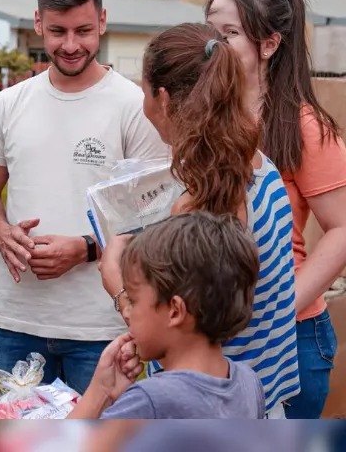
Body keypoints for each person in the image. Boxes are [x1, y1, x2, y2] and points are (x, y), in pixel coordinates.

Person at [0, 0, 167, 394]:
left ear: (102, 20)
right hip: (16, 322)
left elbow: (158, 217)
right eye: (58, 32)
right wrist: (1, 231)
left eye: (83, 30)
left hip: (103, 327)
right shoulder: (9, 103)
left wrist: (85, 249)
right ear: (38, 22)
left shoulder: (135, 107)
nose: (71, 45)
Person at [97, 22, 300, 417]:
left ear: (164, 99)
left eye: (143, 92)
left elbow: (181, 319)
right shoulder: (260, 165)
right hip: (258, 395)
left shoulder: (197, 203)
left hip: (202, 408)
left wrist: (118, 285)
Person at [206, 0, 346, 419]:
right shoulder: (205, 116)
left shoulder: (302, 126)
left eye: (228, 34)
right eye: (209, 32)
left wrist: (279, 308)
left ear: (269, 45)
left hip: (294, 336)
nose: (213, 45)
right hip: (220, 334)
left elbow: (341, 229)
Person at [67, 212, 265, 419]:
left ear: (175, 311)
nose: (126, 310)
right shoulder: (248, 381)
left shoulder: (149, 402)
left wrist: (99, 392)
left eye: (133, 301)